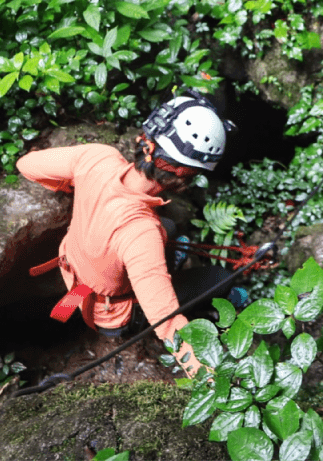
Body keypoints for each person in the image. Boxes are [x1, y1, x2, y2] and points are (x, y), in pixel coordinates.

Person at [17, 89, 238, 378]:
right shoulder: (141, 233)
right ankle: (153, 291)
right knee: (220, 278)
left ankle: (153, 271)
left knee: (168, 229)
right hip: (111, 316)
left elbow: (26, 165)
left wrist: (81, 186)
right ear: (184, 175)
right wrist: (210, 380)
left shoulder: (98, 158)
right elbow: (166, 322)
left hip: (75, 273)